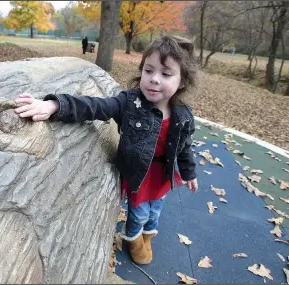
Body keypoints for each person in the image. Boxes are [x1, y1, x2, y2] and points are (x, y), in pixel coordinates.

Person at [14, 36, 199, 265]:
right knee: (140, 213)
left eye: (166, 74)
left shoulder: (182, 115)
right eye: (149, 71)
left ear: (181, 82)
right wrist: (55, 105)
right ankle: (134, 239)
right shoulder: (130, 103)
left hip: (161, 176)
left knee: (155, 211)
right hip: (139, 175)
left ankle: (148, 235)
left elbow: (184, 147)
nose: (154, 79)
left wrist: (189, 173)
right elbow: (95, 106)